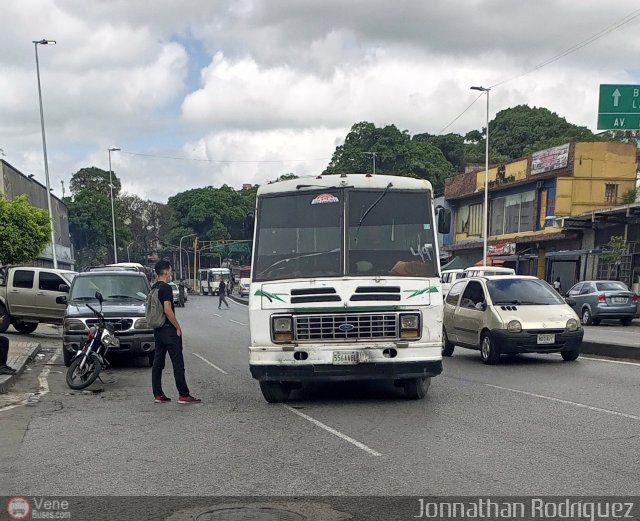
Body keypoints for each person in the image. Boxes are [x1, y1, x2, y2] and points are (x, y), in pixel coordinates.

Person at [151, 260, 201, 405]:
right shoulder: (166, 288)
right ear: (166, 272)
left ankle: (158, 394)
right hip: (168, 330)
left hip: (158, 329)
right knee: (178, 362)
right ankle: (183, 395)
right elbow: (167, 309)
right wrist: (177, 327)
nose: (171, 273)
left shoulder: (153, 287)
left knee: (158, 362)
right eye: (170, 271)